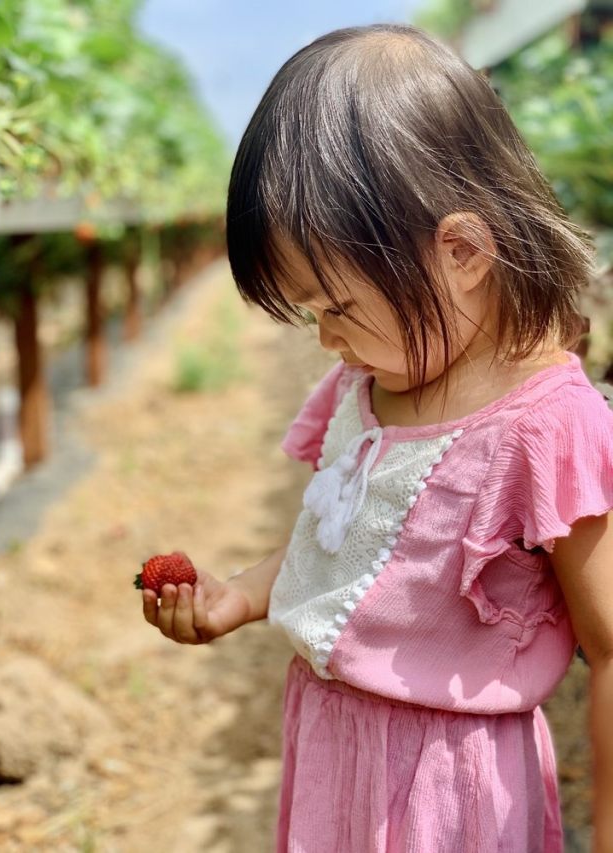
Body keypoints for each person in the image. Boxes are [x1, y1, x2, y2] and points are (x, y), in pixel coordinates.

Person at [141, 23, 613, 852]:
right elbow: (351, 549)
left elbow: (611, 649)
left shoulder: (549, 428)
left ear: (461, 252)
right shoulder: (366, 385)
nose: (325, 338)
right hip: (331, 750)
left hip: (451, 793)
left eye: (336, 307)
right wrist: (241, 596)